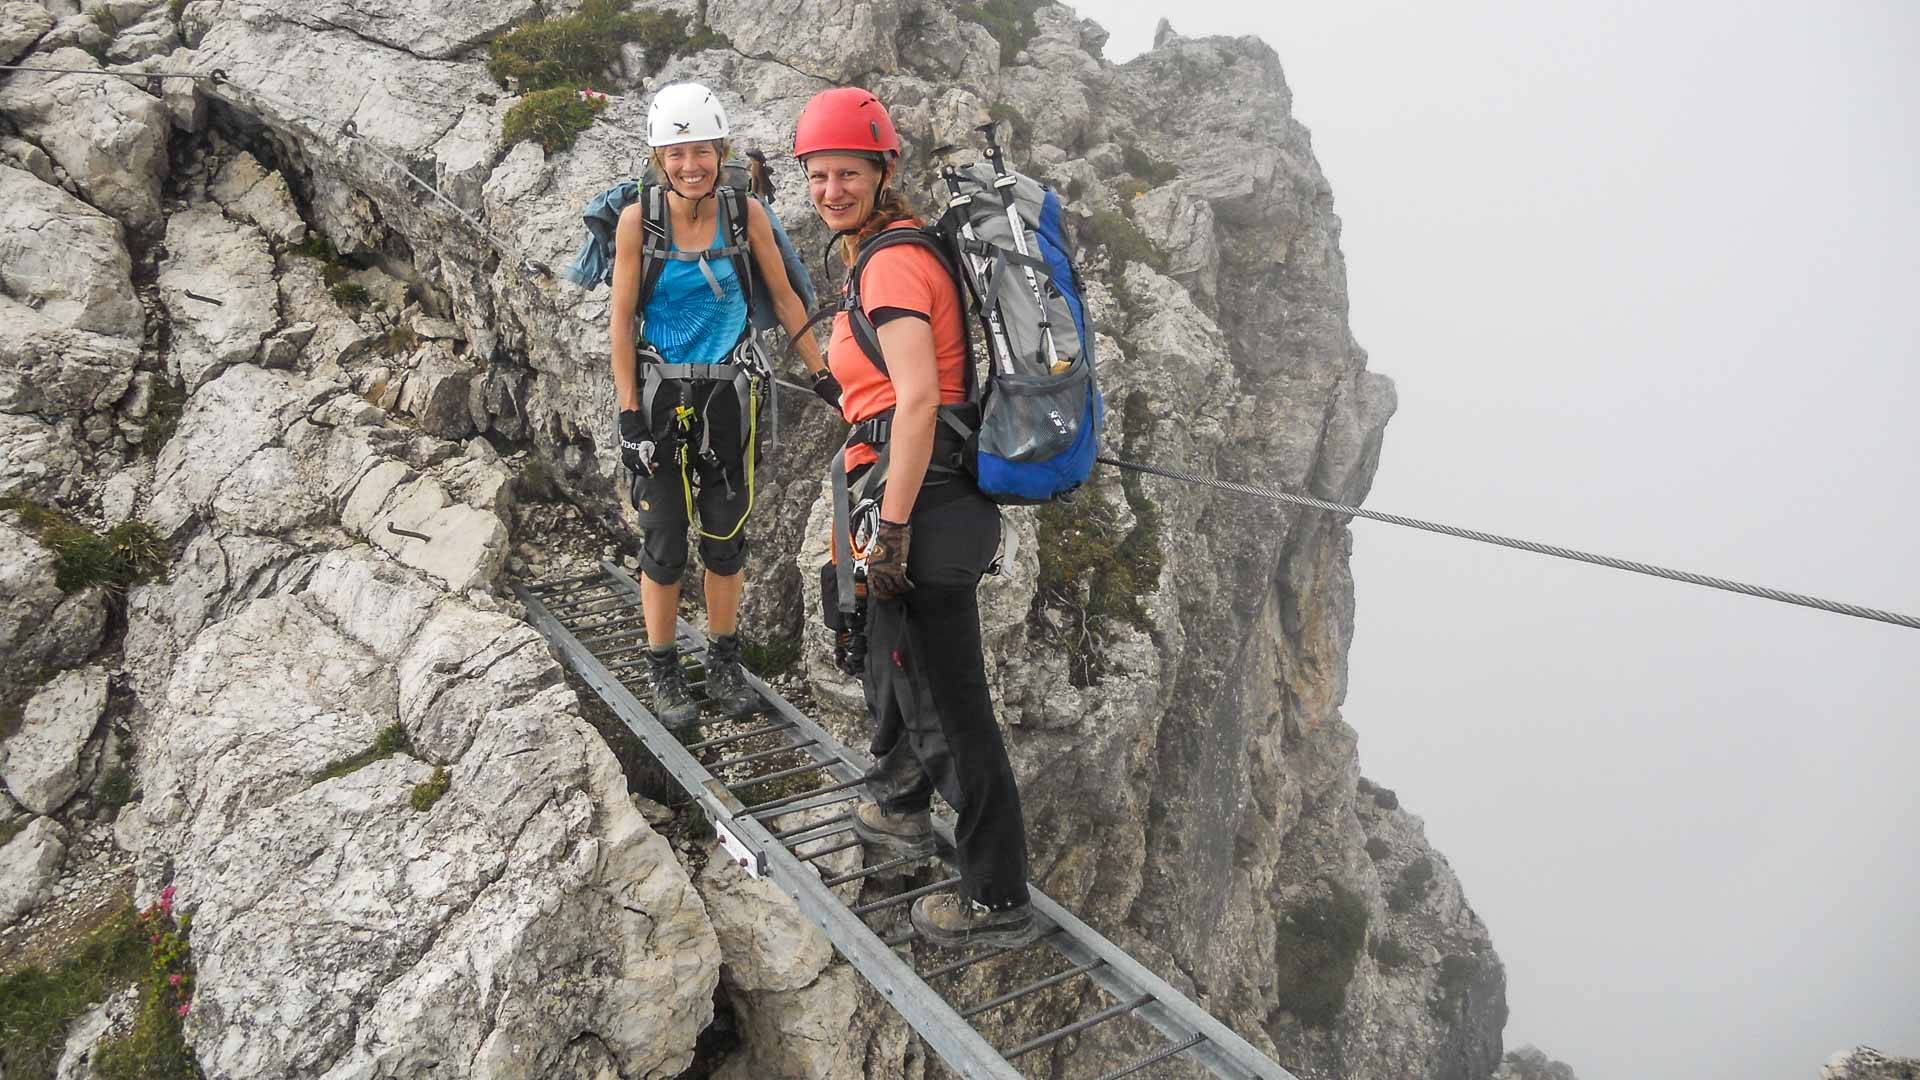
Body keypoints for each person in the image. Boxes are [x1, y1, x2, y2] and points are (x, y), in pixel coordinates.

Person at [794, 87, 1038, 948]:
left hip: (923, 506)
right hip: (916, 496)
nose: (830, 189)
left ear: (881, 171)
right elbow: (880, 393)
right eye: (818, 174)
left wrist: (890, 529)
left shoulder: (894, 263)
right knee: (885, 654)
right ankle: (897, 803)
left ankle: (997, 899)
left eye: (847, 172)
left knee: (949, 707)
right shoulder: (883, 257)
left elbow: (922, 399)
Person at [610, 82, 829, 725]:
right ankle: (664, 671)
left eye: (701, 151)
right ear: (658, 158)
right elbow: (622, 323)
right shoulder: (637, 223)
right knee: (664, 538)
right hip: (660, 397)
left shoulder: (745, 214)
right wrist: (627, 414)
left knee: (726, 538)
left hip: (730, 397)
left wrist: (822, 376)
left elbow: (787, 299)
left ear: (721, 150)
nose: (690, 166)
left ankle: (724, 661)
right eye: (676, 154)